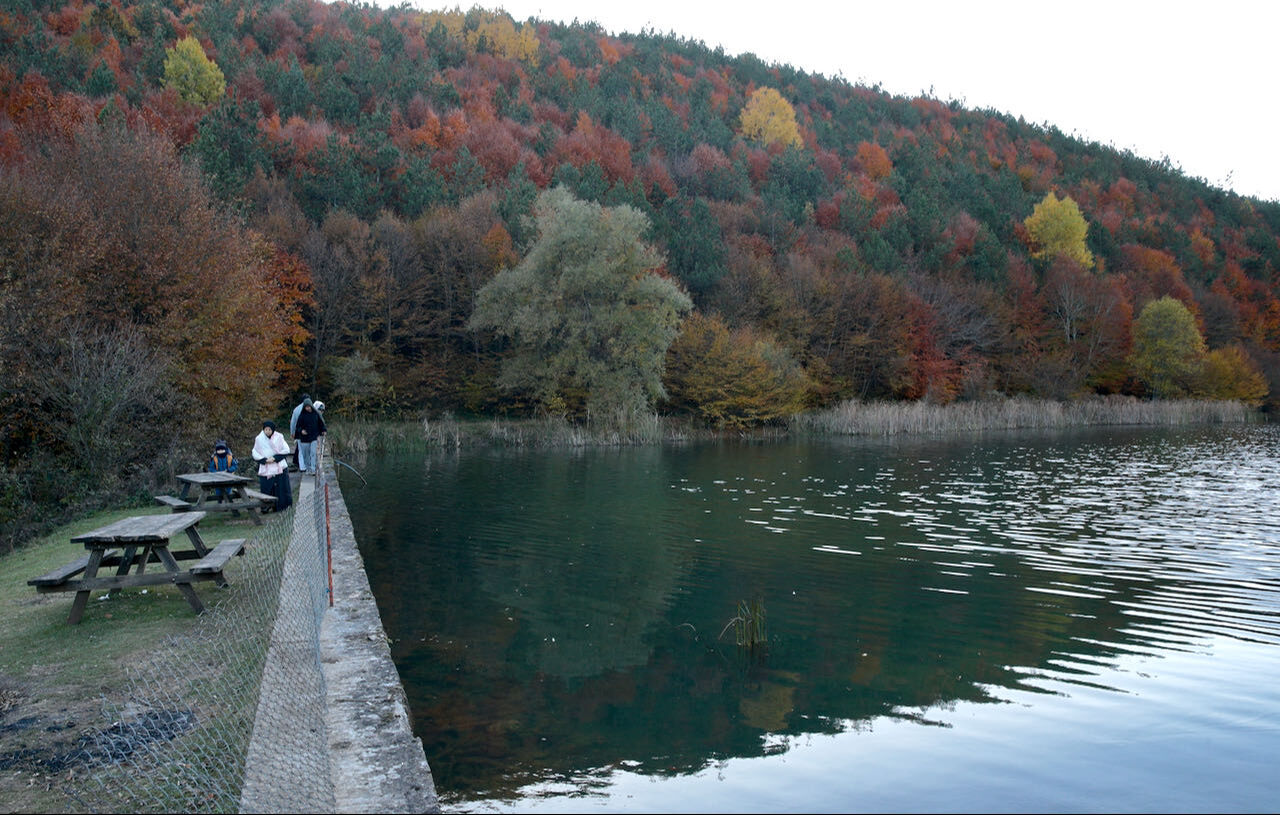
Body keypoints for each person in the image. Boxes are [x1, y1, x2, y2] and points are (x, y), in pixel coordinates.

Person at [252, 420, 293, 513]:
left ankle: (283, 505)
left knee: (281, 487)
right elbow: (255, 452)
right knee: (266, 487)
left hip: (279, 465)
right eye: (266, 429)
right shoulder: (259, 439)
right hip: (266, 466)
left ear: (273, 430)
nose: (267, 431)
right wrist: (264, 460)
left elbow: (286, 449)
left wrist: (274, 458)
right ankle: (266, 506)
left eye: (269, 430)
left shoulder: (279, 437)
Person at [294, 398, 327, 475]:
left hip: (314, 436)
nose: (308, 408)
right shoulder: (302, 416)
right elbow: (298, 427)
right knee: (306, 455)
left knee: (313, 453)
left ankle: (313, 469)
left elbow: (321, 423)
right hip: (304, 438)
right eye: (306, 407)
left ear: (311, 406)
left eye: (309, 406)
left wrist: (323, 430)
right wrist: (301, 431)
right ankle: (308, 468)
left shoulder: (316, 414)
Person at [289, 394, 310, 471]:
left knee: (300, 450)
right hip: (309, 432)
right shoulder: (311, 408)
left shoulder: (296, 409)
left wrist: (292, 432)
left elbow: (293, 422)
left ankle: (302, 466)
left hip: (299, 432)